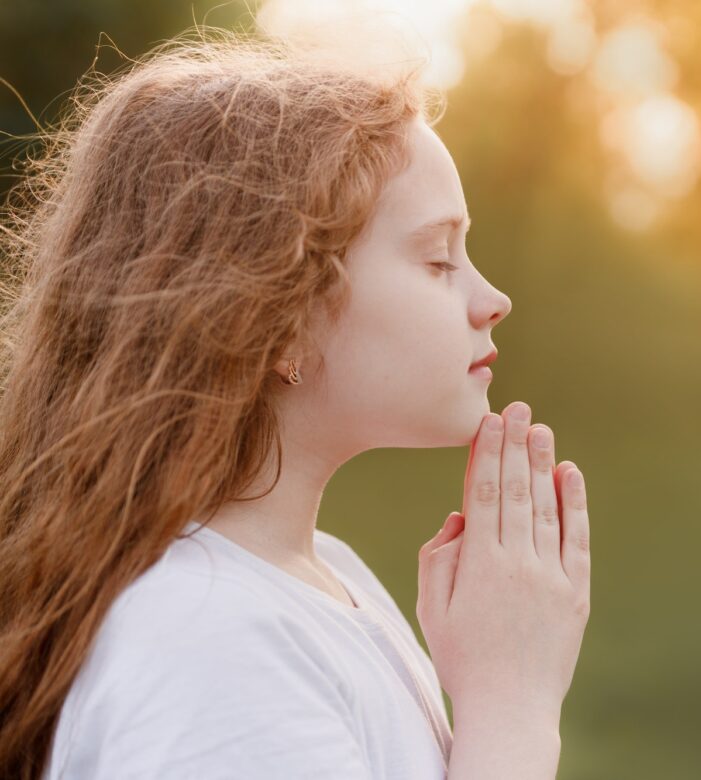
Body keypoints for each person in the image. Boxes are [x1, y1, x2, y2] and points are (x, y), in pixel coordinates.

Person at [0, 26, 591, 780]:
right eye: (439, 258)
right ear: (276, 320)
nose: (493, 299)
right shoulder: (210, 644)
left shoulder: (321, 581)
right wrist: (515, 702)